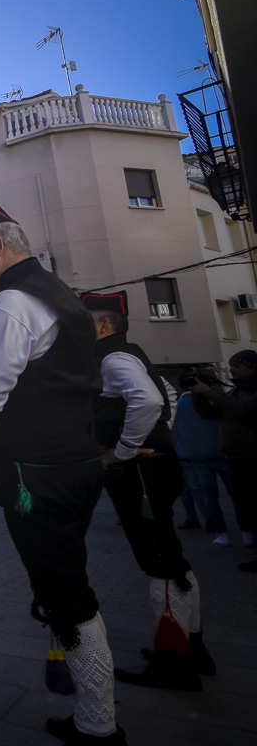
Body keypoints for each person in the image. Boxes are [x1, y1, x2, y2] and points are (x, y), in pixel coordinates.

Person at [0, 201, 124, 745]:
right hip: (76, 465)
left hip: (38, 477)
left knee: (66, 593)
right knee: (68, 582)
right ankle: (94, 715)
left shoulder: (9, 304)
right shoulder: (63, 298)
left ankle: (98, 725)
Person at [80, 291, 212, 691]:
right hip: (154, 466)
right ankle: (191, 648)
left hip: (139, 474)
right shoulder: (131, 354)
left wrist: (121, 452)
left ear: (103, 325)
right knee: (169, 554)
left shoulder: (113, 358)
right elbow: (167, 399)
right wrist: (158, 440)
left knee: (158, 560)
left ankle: (176, 665)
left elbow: (150, 399)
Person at [192, 349, 257, 571]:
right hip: (237, 457)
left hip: (252, 458)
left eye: (236, 366)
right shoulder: (237, 391)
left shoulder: (251, 392)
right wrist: (197, 394)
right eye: (230, 365)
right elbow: (211, 415)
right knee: (248, 505)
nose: (231, 370)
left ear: (251, 367)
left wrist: (209, 391)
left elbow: (239, 410)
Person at [172, 376, 249, 546]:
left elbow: (174, 432)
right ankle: (246, 532)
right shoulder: (219, 402)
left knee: (207, 494)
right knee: (236, 494)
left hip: (193, 455)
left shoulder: (178, 407)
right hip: (222, 452)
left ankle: (220, 532)